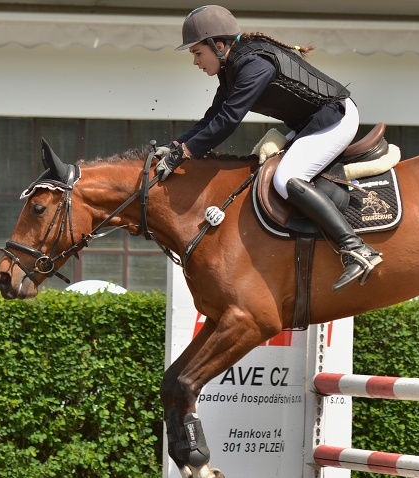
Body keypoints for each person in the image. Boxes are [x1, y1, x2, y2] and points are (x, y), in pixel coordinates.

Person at [155, 4, 382, 292]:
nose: (195, 62)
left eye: (197, 53)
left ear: (219, 45)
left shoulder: (253, 66)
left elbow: (228, 121)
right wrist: (175, 146)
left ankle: (357, 248)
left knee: (285, 179)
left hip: (335, 118)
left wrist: (185, 154)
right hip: (310, 123)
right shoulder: (232, 69)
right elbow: (212, 117)